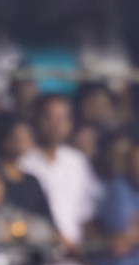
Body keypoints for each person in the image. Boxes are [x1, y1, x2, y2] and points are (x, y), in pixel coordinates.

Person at [19, 94, 101, 251]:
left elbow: (87, 216)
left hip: (73, 259)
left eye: (62, 119)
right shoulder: (24, 163)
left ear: (70, 124)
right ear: (37, 120)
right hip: (33, 257)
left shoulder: (77, 162)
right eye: (49, 117)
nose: (55, 125)